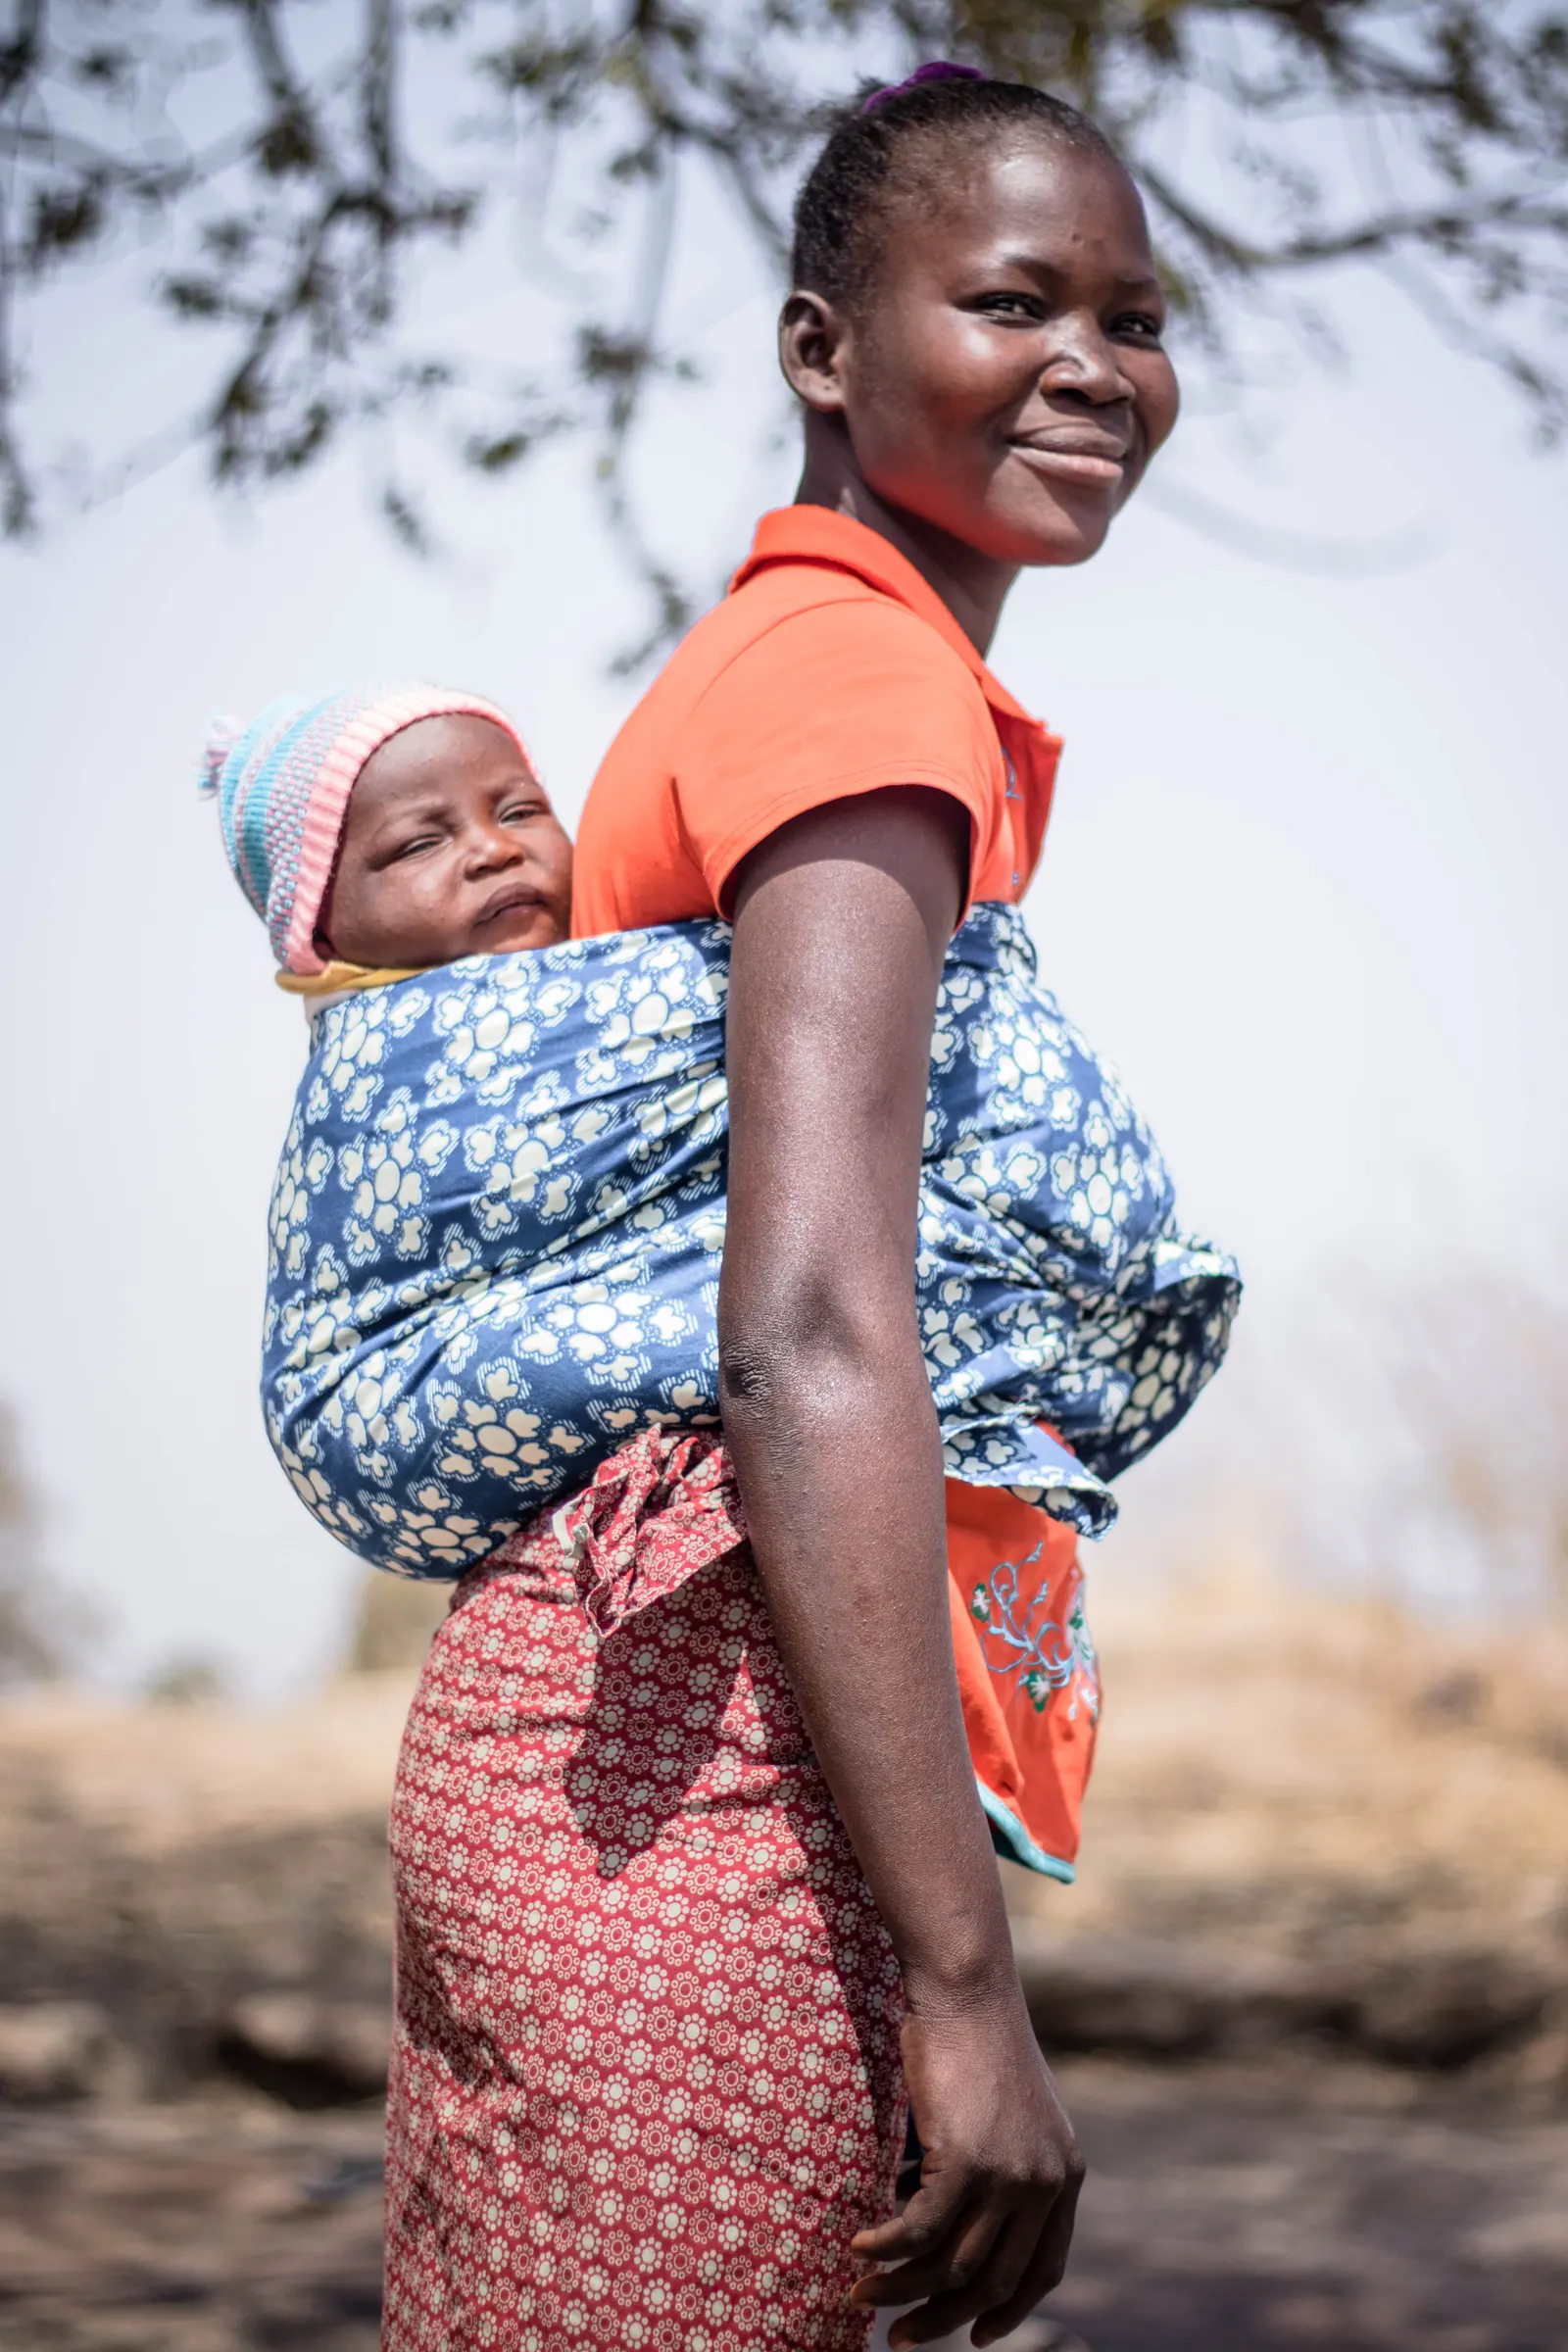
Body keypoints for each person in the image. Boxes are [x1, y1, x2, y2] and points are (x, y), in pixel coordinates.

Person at [381, 63, 1200, 2352]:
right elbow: (815, 1321)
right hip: (697, 1759)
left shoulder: (806, 657)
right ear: (819, 349)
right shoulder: (855, 680)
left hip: (601, 1728)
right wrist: (963, 1986)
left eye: (1135, 315)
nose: (1094, 364)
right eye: (1013, 298)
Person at [201, 683, 572, 989]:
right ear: (317, 932)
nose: (495, 849)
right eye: (421, 844)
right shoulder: (377, 1065)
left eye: (520, 813)